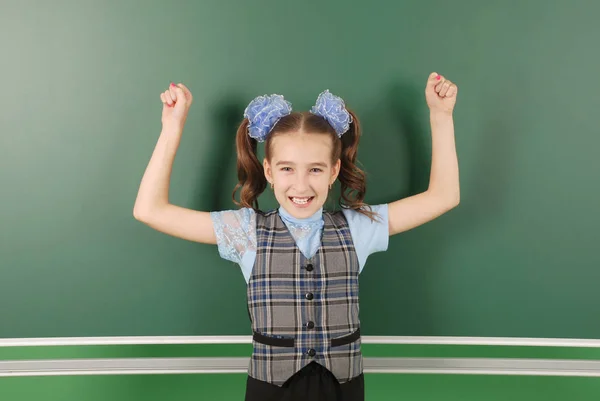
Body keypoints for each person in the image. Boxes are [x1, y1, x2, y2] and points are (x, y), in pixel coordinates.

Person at [133, 72, 459, 401]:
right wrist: (172, 126)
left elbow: (443, 196)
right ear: (269, 171)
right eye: (287, 168)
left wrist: (441, 115)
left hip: (343, 388)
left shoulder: (359, 227)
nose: (301, 185)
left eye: (315, 169)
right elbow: (150, 210)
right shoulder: (244, 231)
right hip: (270, 390)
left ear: (333, 172)